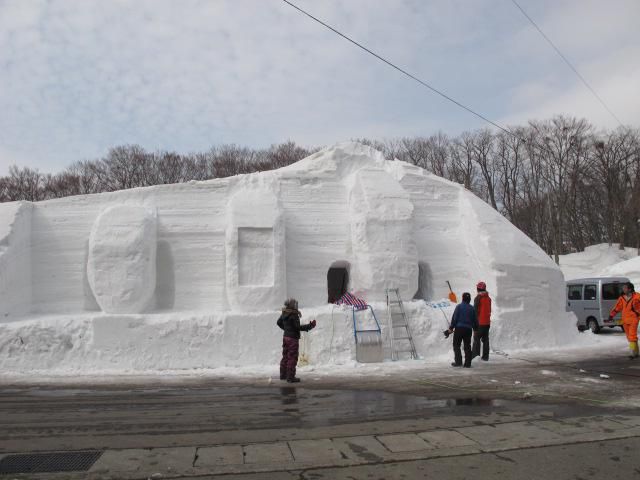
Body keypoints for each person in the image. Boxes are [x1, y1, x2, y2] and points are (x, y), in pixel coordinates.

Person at [277, 298, 316, 382]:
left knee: (285, 356)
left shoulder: (285, 312)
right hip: (292, 339)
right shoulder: (293, 314)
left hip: (286, 337)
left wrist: (286, 330)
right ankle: (290, 377)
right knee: (292, 357)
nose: (296, 306)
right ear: (292, 305)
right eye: (295, 304)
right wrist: (310, 326)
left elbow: (278, 322)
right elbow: (297, 327)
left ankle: (283, 375)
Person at [608, 282, 640, 359]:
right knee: (630, 337)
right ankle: (636, 353)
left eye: (625, 288)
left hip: (634, 319)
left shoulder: (637, 297)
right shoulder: (622, 298)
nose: (623, 289)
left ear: (630, 289)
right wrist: (611, 315)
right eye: (623, 288)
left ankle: (632, 353)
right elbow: (617, 307)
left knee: (632, 335)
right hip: (625, 320)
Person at [448, 292, 478, 368]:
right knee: (467, 346)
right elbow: (475, 320)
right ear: (469, 299)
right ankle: (467, 364)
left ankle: (458, 362)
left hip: (459, 329)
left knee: (456, 345)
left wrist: (451, 328)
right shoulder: (472, 308)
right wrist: (475, 329)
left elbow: (455, 318)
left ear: (463, 298)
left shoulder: (459, 307)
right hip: (468, 330)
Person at [472, 281, 492, 361]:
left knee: (476, 339)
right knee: (485, 340)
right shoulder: (489, 298)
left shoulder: (478, 298)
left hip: (479, 323)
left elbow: (475, 311)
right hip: (487, 323)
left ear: (478, 289)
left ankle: (475, 357)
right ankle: (485, 357)